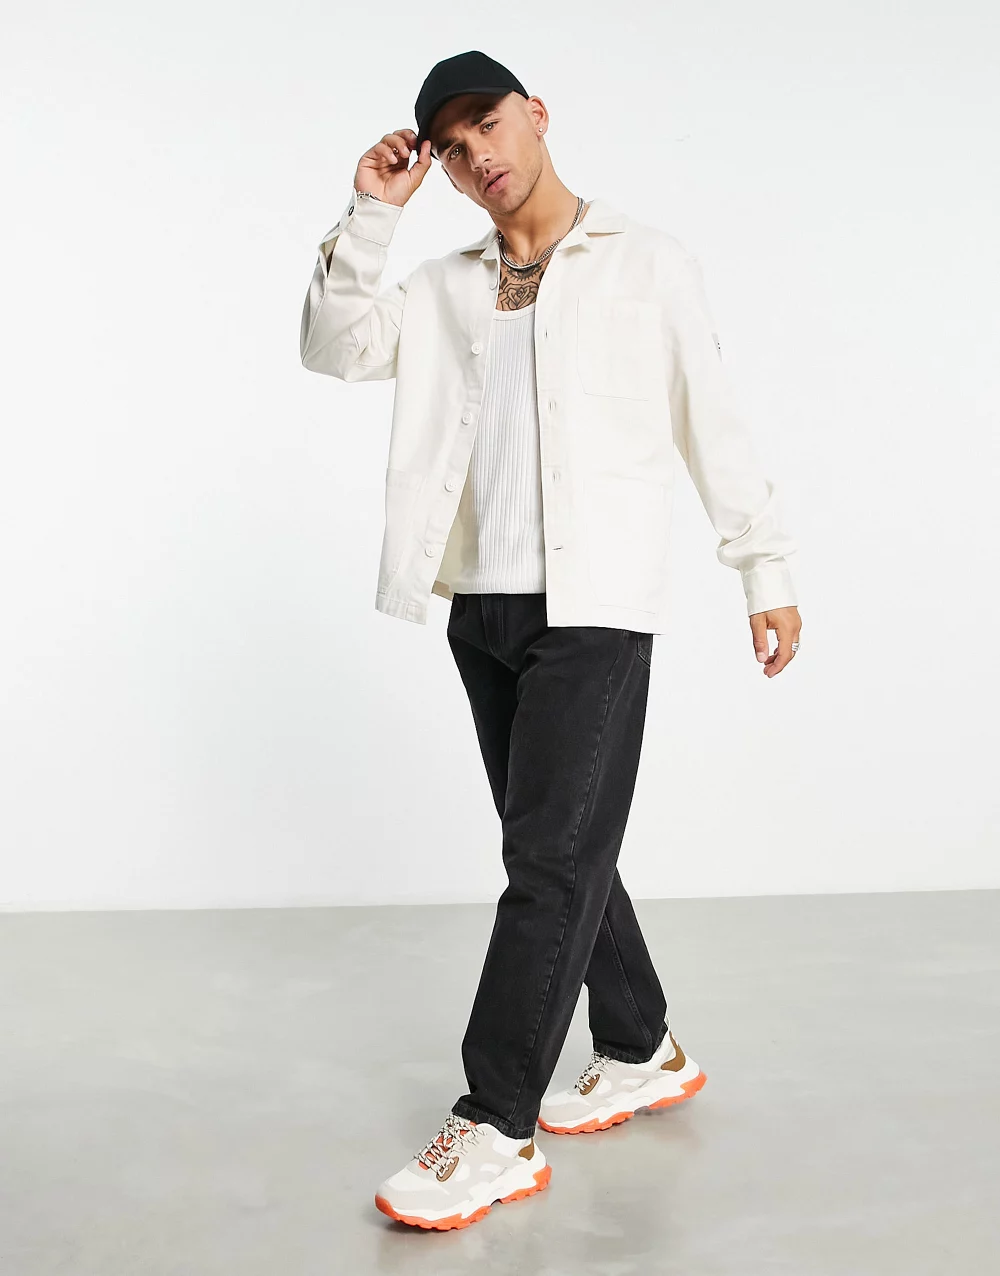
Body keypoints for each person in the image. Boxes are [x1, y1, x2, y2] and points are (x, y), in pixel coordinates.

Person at [300, 49, 803, 1232]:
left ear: (535, 114)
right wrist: (372, 213)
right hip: (480, 605)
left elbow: (712, 419)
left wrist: (762, 565)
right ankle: (637, 1045)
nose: (476, 155)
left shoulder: (646, 264)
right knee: (561, 847)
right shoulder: (441, 287)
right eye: (451, 146)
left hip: (594, 606)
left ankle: (494, 1124)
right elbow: (332, 346)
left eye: (487, 123)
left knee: (547, 860)